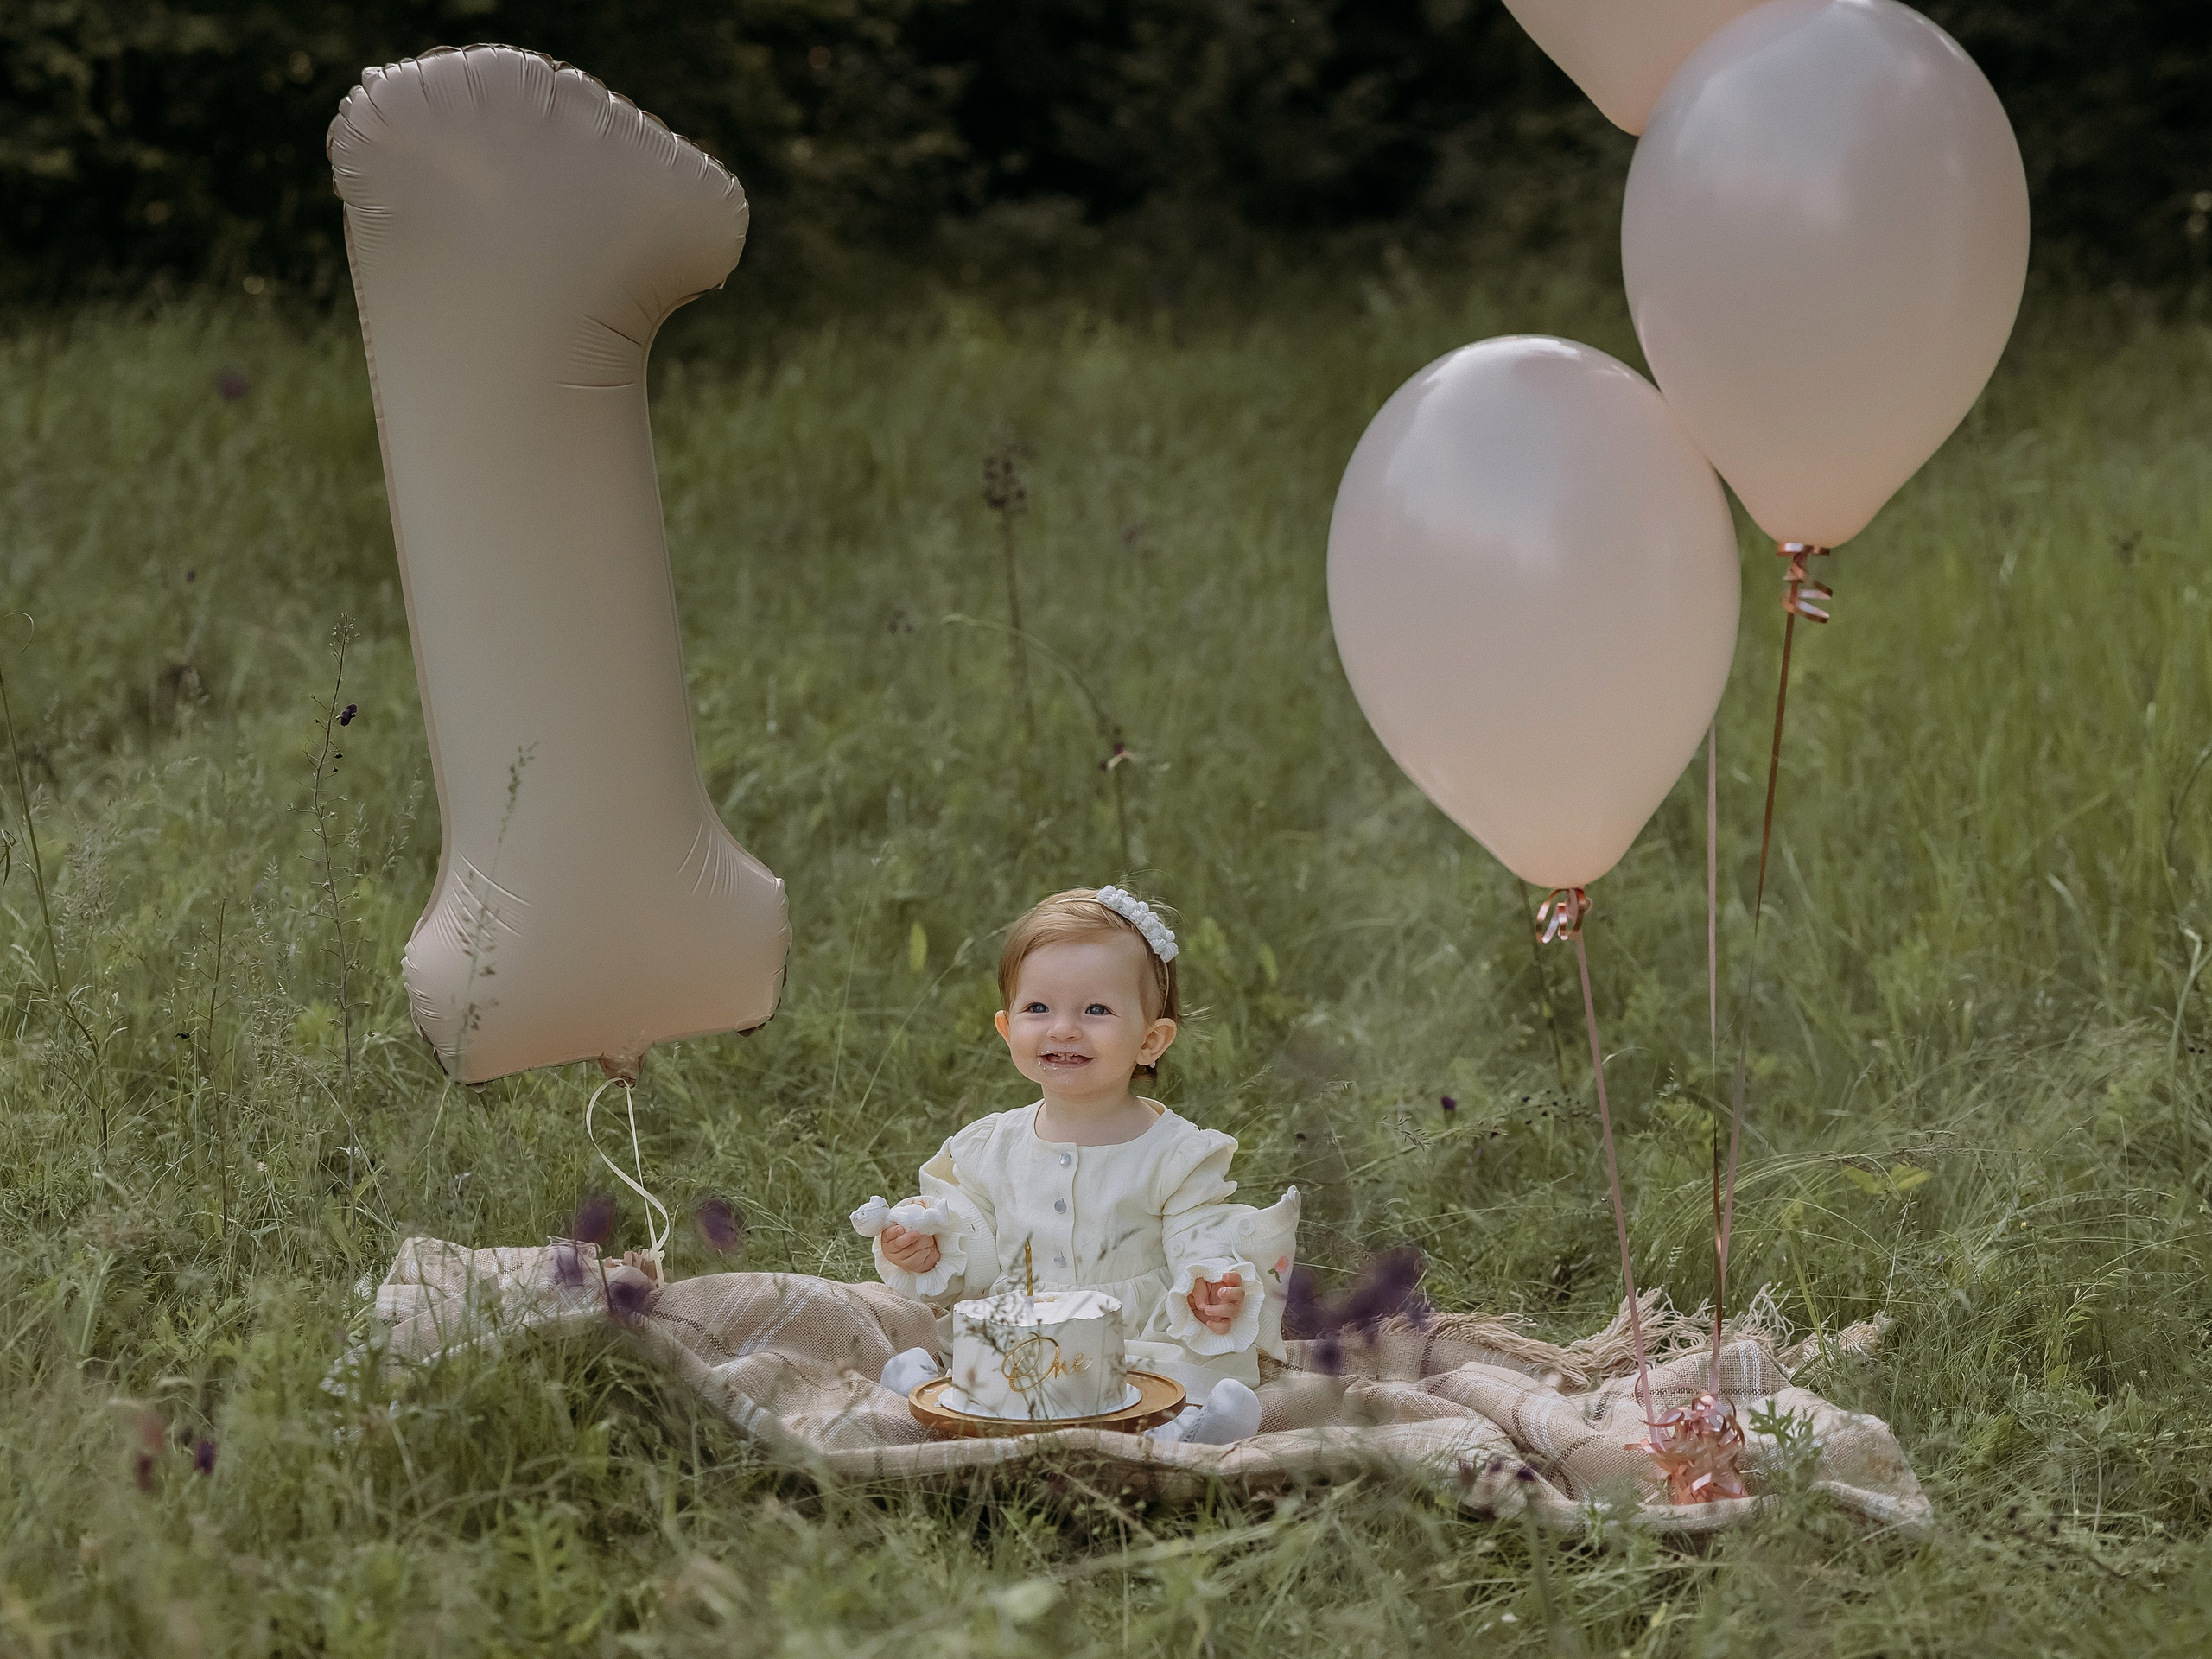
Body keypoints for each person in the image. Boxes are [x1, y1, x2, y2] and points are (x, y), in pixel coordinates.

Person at [869, 886, 1298, 1443]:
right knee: (992, 1372)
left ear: (1151, 1039)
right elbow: (974, 1231)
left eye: (1096, 1010)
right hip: (1023, 1328)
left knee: (1154, 1387)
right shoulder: (990, 1145)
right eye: (1038, 1008)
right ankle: (933, 1393)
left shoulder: (1174, 1153)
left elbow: (1200, 1234)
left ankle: (1186, 1431)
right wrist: (931, 1247)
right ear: (1007, 1028)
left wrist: (1208, 1286)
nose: (1063, 1028)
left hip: (1130, 1339)